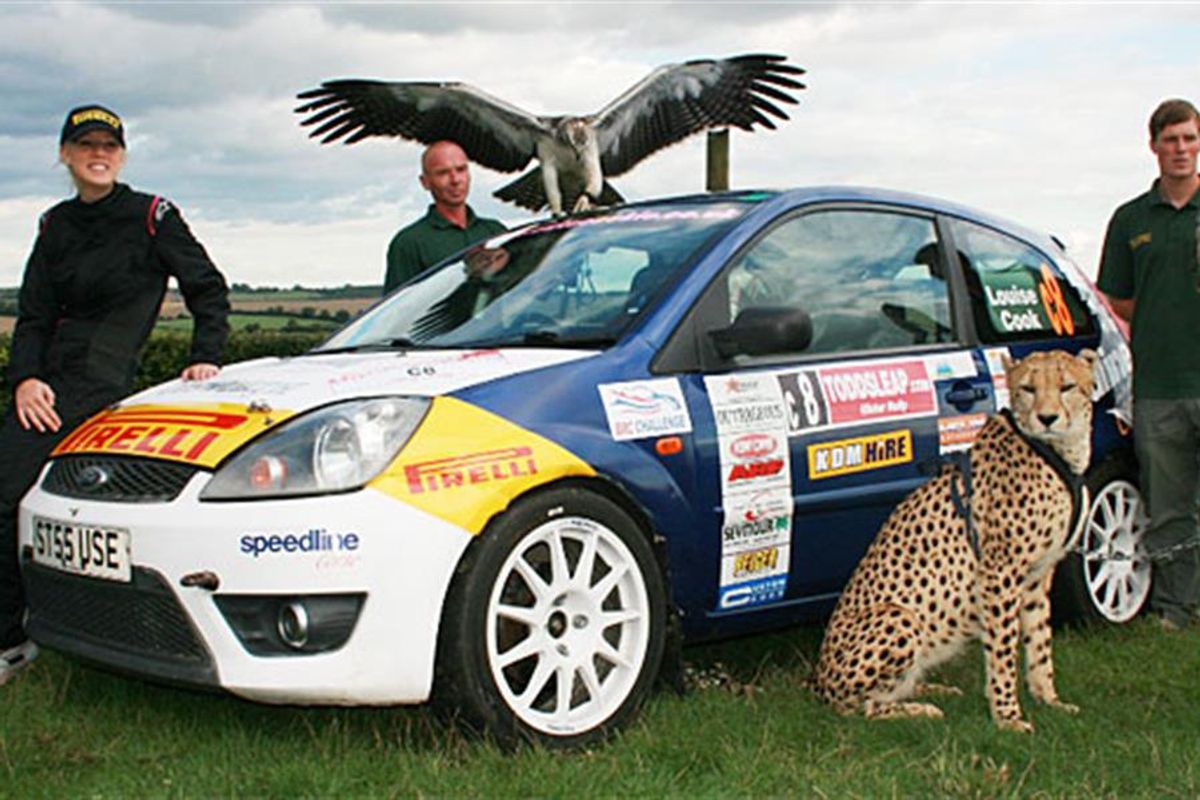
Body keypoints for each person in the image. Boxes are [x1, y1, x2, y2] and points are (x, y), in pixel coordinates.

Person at [0, 104, 230, 683]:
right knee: (9, 499)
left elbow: (207, 287)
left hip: (106, 387)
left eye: (108, 146)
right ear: (65, 156)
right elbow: (32, 316)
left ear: (122, 155)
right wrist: (25, 379)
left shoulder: (153, 215)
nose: (97, 155)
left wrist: (205, 359)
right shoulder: (54, 225)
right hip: (46, 389)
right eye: (85, 146)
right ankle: (15, 635)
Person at [1096, 97, 1200, 631]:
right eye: (1170, 140)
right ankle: (1176, 609)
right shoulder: (1130, 219)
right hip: (1159, 383)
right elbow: (1120, 300)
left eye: (1188, 138)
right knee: (1169, 503)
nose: (1180, 149)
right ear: (1154, 146)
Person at [383, 140, 507, 294]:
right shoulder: (409, 243)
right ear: (425, 182)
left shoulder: (495, 232)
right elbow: (399, 310)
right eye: (443, 173)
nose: (455, 180)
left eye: (461, 170)